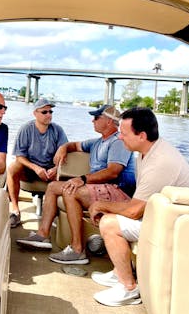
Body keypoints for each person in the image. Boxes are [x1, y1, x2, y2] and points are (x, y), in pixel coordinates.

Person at [89, 107, 189, 307]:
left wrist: (102, 204)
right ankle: (118, 274)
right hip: (159, 217)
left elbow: (134, 210)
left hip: (175, 228)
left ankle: (129, 288)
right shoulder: (145, 153)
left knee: (110, 224)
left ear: (142, 135)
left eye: (124, 133)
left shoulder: (160, 162)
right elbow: (139, 204)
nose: (120, 137)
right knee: (111, 217)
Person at [16, 104, 135, 265]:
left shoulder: (118, 142)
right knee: (53, 187)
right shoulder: (98, 142)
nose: (92, 121)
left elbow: (113, 172)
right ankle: (43, 235)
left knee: (70, 191)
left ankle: (78, 250)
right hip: (101, 188)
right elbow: (74, 145)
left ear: (108, 121)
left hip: (118, 191)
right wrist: (63, 148)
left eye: (96, 117)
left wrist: (82, 179)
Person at [7, 98, 68, 228]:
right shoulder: (26, 129)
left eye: (50, 112)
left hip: (51, 171)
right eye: (44, 112)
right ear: (35, 113)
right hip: (30, 169)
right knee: (12, 168)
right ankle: (15, 211)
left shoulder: (57, 130)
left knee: (68, 175)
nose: (49, 115)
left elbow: (65, 153)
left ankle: (57, 214)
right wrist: (36, 168)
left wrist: (57, 168)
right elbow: (19, 156)